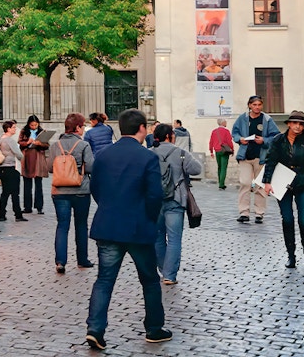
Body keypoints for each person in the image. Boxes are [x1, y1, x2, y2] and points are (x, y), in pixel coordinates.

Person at [85, 109, 172, 350]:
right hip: (138, 227)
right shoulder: (147, 157)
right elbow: (155, 194)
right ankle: (154, 328)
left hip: (108, 224)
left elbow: (96, 188)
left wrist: (108, 207)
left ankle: (95, 328)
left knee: (104, 280)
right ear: (142, 128)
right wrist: (150, 219)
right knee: (150, 280)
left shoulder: (103, 155)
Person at [263, 110, 304, 268]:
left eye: (301, 124)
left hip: (303, 181)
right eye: (295, 123)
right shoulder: (278, 140)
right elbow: (270, 161)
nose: (298, 126)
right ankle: (291, 255)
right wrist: (267, 182)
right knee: (287, 219)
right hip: (282, 181)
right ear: (288, 124)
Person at [149, 124, 202, 285]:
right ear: (169, 136)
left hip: (154, 200)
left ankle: (163, 269)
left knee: (157, 238)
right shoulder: (180, 153)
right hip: (175, 199)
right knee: (174, 239)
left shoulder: (149, 153)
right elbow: (197, 169)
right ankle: (169, 275)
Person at [51, 113, 94, 274]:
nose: (83, 129)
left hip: (59, 191)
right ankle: (82, 259)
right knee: (81, 225)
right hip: (81, 190)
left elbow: (50, 167)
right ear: (77, 127)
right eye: (82, 126)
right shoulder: (83, 146)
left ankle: (60, 261)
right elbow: (90, 167)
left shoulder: (56, 145)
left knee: (62, 226)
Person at [231, 95, 280, 224]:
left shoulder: (267, 119)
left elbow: (276, 136)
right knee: (245, 183)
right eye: (254, 105)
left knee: (260, 186)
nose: (257, 107)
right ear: (249, 105)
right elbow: (234, 132)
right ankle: (244, 212)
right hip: (245, 156)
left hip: (261, 157)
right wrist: (239, 139)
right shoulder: (242, 118)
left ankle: (259, 213)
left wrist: (264, 140)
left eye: (259, 105)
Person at [19, 115, 50, 215]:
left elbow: (47, 145)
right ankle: (27, 206)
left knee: (38, 184)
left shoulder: (42, 132)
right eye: (32, 125)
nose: (34, 126)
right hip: (27, 157)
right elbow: (20, 142)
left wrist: (40, 143)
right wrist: (28, 142)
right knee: (27, 184)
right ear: (28, 124)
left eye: (35, 125)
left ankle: (39, 206)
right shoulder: (24, 131)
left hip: (38, 158)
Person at [0, 120, 25, 221]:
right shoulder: (10, 140)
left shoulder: (0, 139)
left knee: (5, 192)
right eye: (13, 127)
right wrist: (21, 157)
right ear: (8, 129)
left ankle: (2, 213)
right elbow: (18, 154)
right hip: (11, 167)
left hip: (2, 167)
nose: (15, 129)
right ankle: (17, 214)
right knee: (14, 192)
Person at [208, 118, 234, 189]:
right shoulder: (226, 131)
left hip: (217, 151)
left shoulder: (214, 131)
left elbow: (211, 142)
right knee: (223, 167)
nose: (226, 123)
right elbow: (229, 141)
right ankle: (221, 184)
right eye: (225, 122)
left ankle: (220, 181)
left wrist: (211, 151)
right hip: (224, 151)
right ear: (223, 123)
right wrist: (232, 149)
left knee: (219, 167)